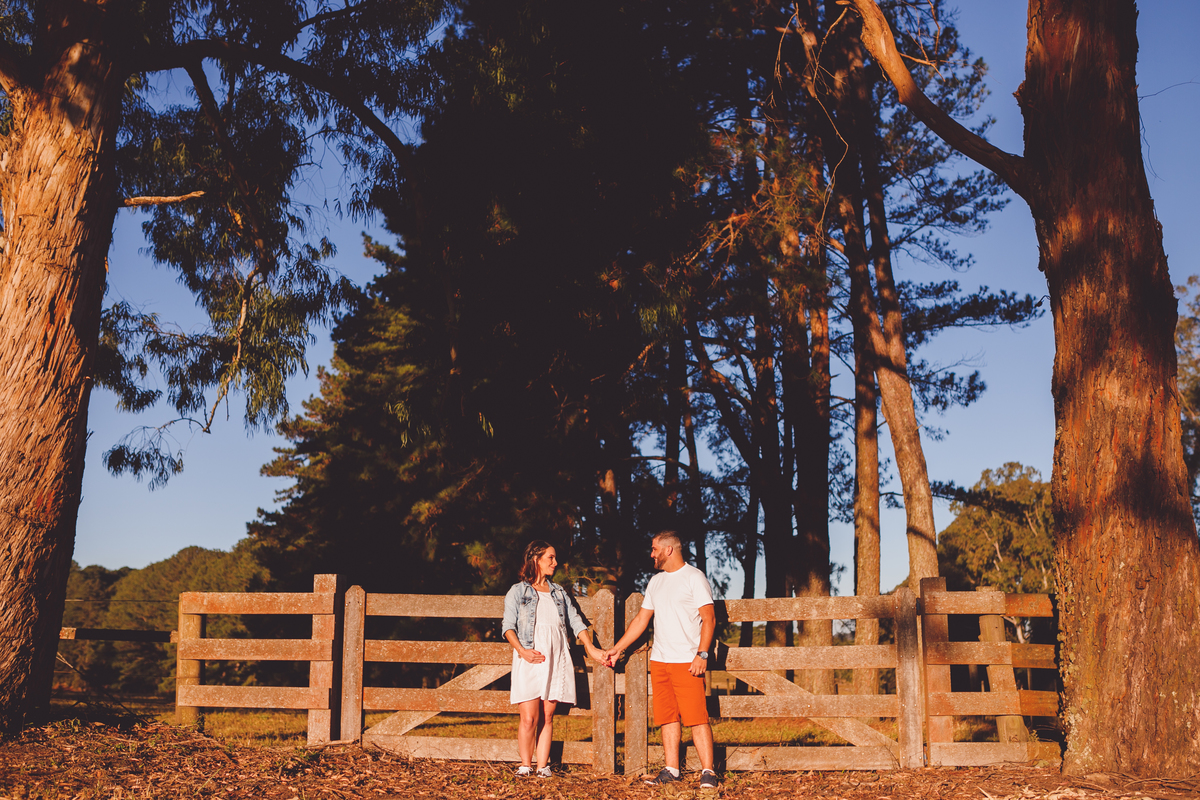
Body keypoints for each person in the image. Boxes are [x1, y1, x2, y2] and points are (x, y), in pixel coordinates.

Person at [605, 531, 718, 791]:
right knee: (667, 717)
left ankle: (708, 772)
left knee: (697, 717)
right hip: (660, 660)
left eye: (655, 549)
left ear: (669, 550)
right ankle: (671, 770)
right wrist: (617, 649)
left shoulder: (694, 577)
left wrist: (702, 654)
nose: (652, 554)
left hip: (687, 661)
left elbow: (709, 619)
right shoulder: (655, 582)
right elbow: (641, 620)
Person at [501, 540, 606, 778]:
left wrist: (590, 647)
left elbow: (575, 621)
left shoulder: (559, 592)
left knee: (547, 716)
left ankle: (543, 766)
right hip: (529, 656)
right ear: (536, 559)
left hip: (556, 656)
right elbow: (507, 626)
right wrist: (522, 651)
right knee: (529, 718)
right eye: (550, 557)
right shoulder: (518, 591)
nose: (555, 562)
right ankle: (525, 765)